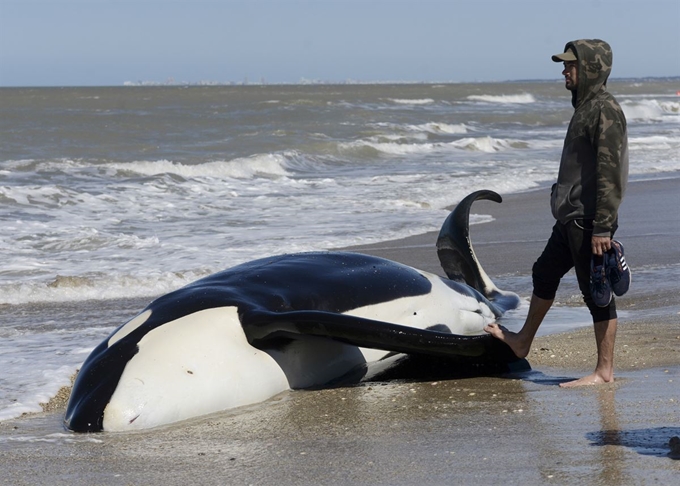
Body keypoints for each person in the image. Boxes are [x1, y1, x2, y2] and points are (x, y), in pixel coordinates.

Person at [484, 39, 629, 387]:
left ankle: (603, 371)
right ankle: (522, 341)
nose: (564, 70)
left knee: (596, 293)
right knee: (544, 272)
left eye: (570, 65)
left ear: (591, 68)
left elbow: (611, 174)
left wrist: (603, 229)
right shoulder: (585, 107)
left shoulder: (604, 111)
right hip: (569, 218)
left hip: (588, 220)